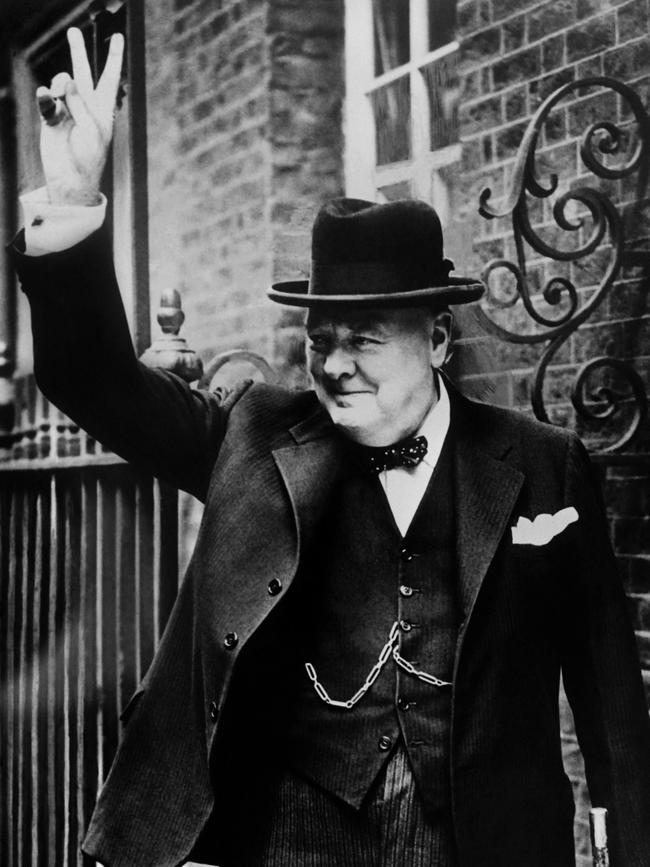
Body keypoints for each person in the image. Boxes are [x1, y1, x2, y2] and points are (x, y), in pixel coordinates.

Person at [11, 27, 650, 867]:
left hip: (476, 834)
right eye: (320, 337)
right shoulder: (254, 434)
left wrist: (622, 841)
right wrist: (70, 206)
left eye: (364, 338)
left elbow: (606, 689)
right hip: (290, 831)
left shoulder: (541, 461)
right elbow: (93, 378)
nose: (334, 364)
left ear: (440, 340)